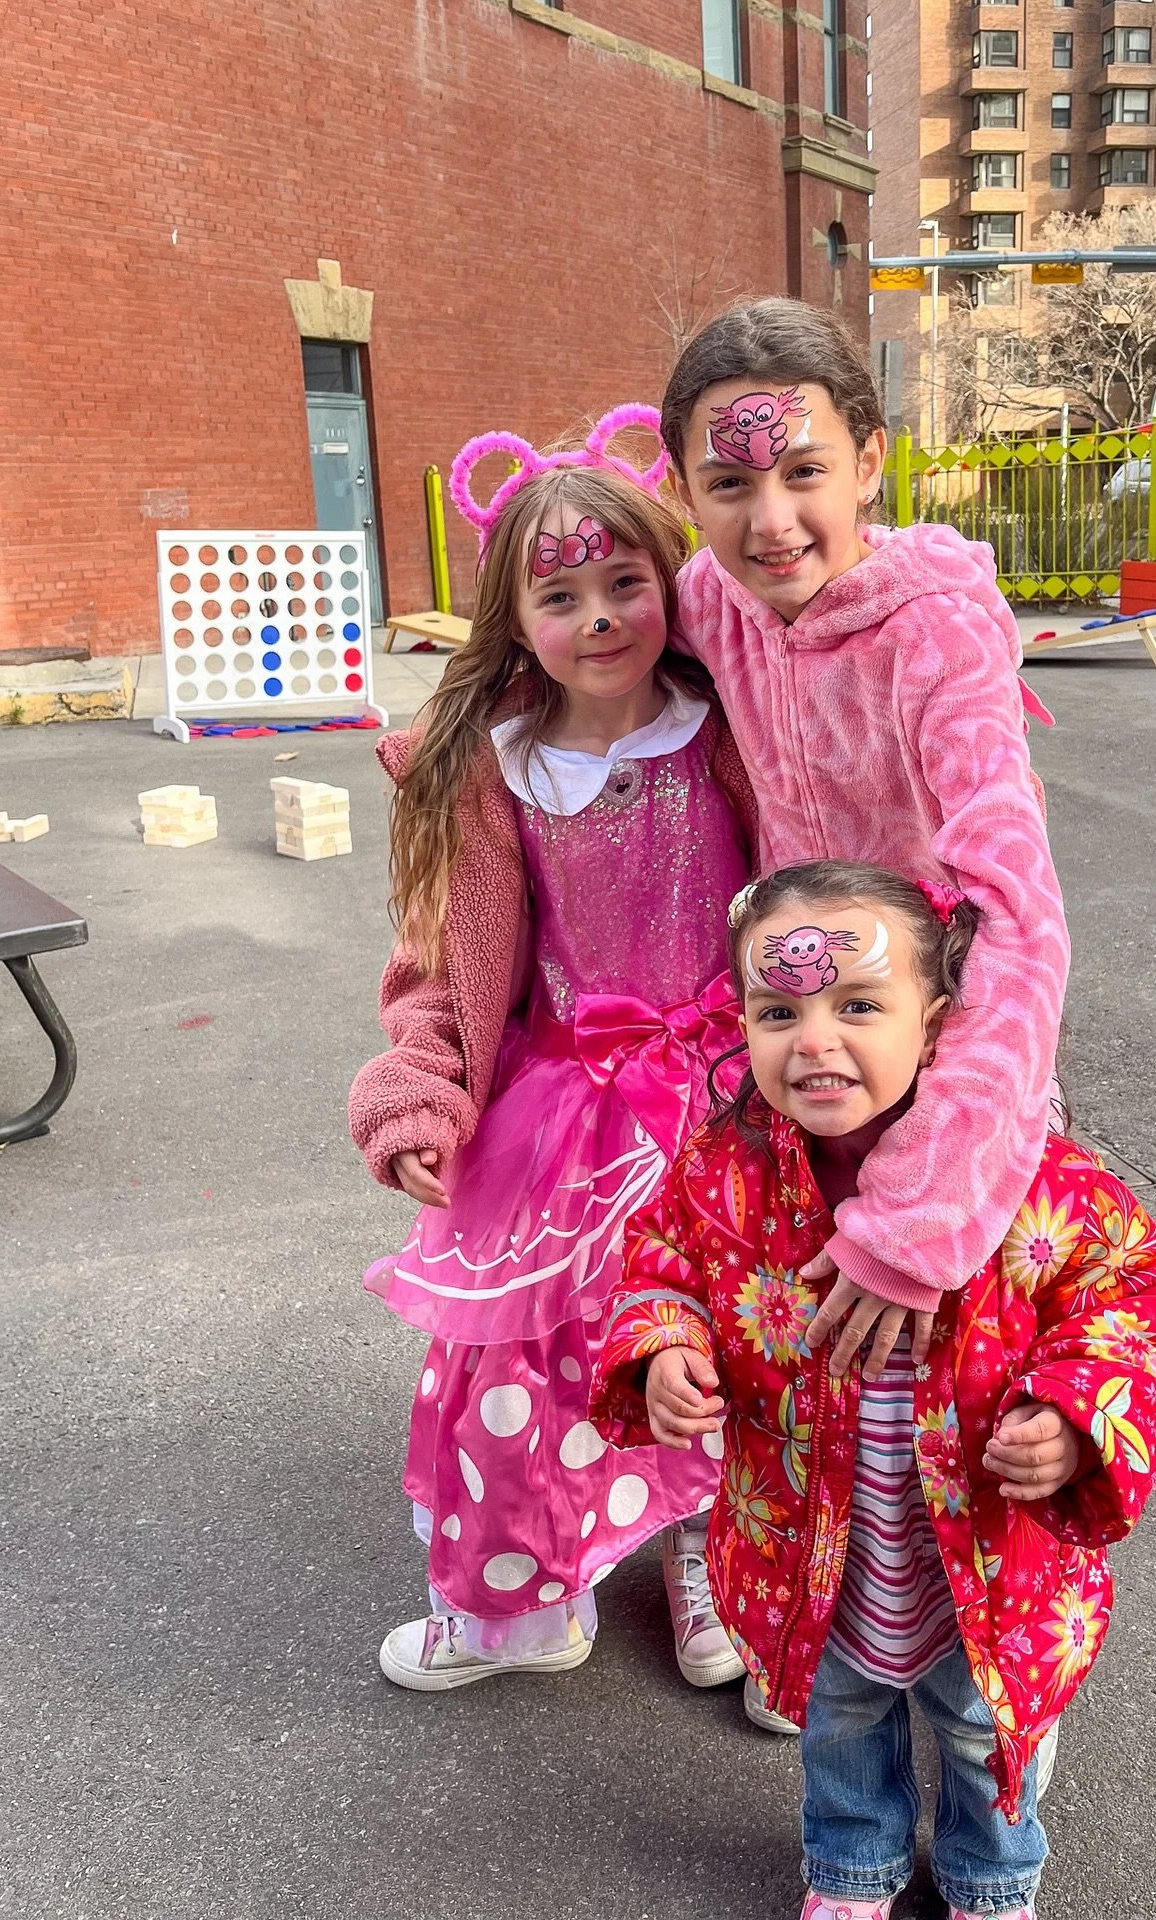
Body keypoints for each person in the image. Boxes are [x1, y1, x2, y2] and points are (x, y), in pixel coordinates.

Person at [592, 861, 1156, 1920]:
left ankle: (992, 1875)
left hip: (985, 1551)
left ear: (941, 1024)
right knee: (841, 1713)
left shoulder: (1031, 1181)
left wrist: (1073, 1408)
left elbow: (1133, 1293)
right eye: (779, 1010)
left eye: (859, 1005)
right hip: (811, 1538)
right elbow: (661, 1264)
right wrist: (666, 1348)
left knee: (978, 1720)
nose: (813, 1040)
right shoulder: (722, 1176)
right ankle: (852, 1867)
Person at [349, 407, 760, 1700]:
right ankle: (534, 1587)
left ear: (673, 585)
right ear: (512, 620)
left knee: (716, 1348)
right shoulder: (495, 771)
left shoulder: (729, 728)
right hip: (559, 1107)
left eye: (625, 582)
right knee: (519, 1366)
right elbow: (440, 963)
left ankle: (714, 1567)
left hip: (725, 1097)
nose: (598, 617)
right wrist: (421, 1096)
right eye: (560, 594)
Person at [661, 298, 1070, 1389]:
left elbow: (1018, 916)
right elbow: (570, 638)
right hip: (799, 1042)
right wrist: (465, 750)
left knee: (951, 1393)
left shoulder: (934, 636)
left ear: (870, 461)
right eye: (730, 485)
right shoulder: (710, 597)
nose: (771, 521)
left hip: (941, 1052)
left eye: (804, 472)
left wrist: (923, 1212)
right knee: (784, 1375)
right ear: (686, 491)